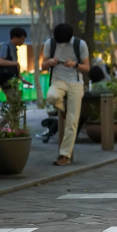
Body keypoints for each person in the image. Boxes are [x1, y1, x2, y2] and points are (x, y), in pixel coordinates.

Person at [42, 24, 90, 166]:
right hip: (57, 81)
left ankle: (64, 155)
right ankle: (62, 108)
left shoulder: (80, 44)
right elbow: (42, 66)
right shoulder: (49, 43)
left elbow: (86, 67)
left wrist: (75, 65)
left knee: (72, 121)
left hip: (75, 82)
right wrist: (49, 62)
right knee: (51, 97)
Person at [0, 27, 27, 109]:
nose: (23, 41)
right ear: (14, 38)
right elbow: (0, 61)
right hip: (6, 81)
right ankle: (1, 122)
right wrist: (15, 63)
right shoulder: (6, 47)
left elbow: (13, 70)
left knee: (16, 105)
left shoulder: (13, 48)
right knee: (16, 105)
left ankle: (4, 122)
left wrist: (23, 80)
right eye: (22, 38)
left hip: (12, 80)